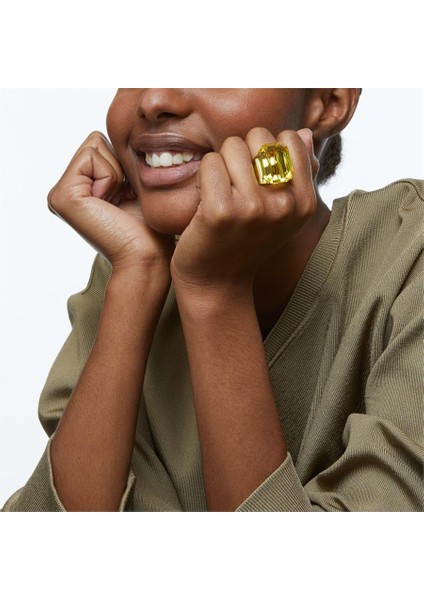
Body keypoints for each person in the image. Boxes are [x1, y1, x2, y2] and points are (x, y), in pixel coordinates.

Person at [2, 89, 423, 512]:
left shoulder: (409, 254)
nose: (153, 99)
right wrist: (137, 275)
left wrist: (215, 291)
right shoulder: (129, 274)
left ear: (329, 102)